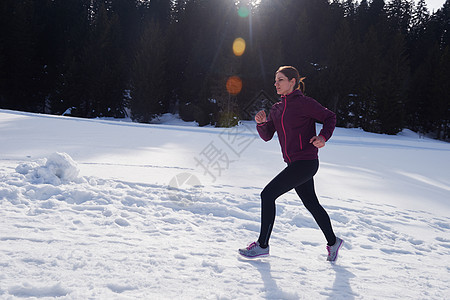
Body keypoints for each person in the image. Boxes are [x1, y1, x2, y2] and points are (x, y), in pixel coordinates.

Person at [239, 66, 343, 261]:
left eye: (280, 80)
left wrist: (323, 137)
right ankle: (333, 242)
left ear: (292, 82)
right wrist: (261, 124)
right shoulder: (277, 108)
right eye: (275, 80)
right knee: (311, 204)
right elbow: (268, 136)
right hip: (293, 164)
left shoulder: (304, 103)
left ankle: (262, 245)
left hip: (306, 162)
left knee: (267, 194)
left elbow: (330, 117)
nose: (275, 84)